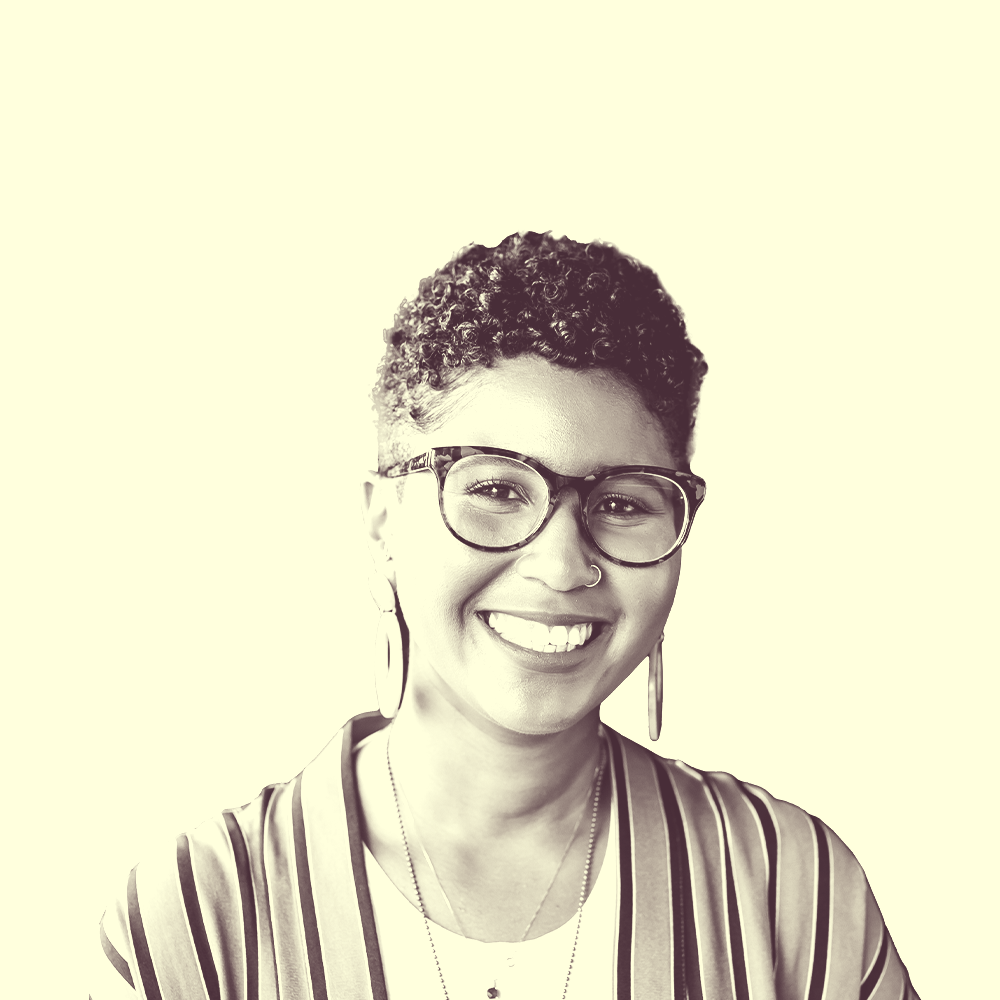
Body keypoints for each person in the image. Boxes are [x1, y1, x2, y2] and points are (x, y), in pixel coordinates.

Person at [92, 233, 919, 999]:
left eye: (623, 502)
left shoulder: (791, 890)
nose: (562, 564)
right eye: (495, 488)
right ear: (382, 522)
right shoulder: (197, 917)